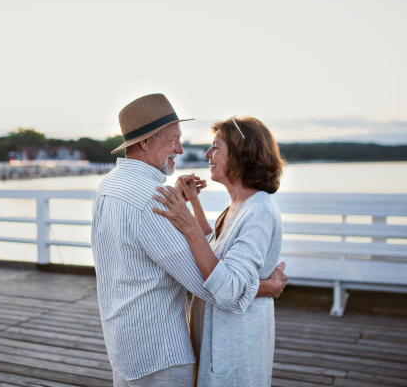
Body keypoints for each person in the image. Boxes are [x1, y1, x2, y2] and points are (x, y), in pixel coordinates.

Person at [91, 94, 288, 387]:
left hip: (125, 344)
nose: (182, 150)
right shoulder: (153, 200)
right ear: (145, 142)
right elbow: (209, 282)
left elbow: (208, 256)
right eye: (173, 140)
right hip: (159, 352)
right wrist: (265, 286)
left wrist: (189, 209)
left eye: (215, 147)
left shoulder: (108, 186)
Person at [153, 115, 286, 386]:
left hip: (237, 346)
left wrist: (187, 223)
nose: (207, 154)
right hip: (219, 338)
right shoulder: (238, 204)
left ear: (241, 154)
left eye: (215, 147)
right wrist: (193, 204)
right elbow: (214, 246)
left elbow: (229, 287)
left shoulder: (259, 211)